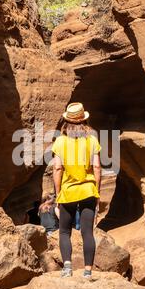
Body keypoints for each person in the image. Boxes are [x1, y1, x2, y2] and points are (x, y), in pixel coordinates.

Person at [52, 102, 101, 279]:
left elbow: (57, 169)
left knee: (64, 231)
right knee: (87, 232)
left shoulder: (60, 141)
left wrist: (58, 195)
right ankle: (88, 271)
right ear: (83, 121)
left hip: (68, 191)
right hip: (88, 190)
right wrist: (97, 192)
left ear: (67, 121)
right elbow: (96, 167)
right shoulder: (92, 140)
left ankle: (67, 268)